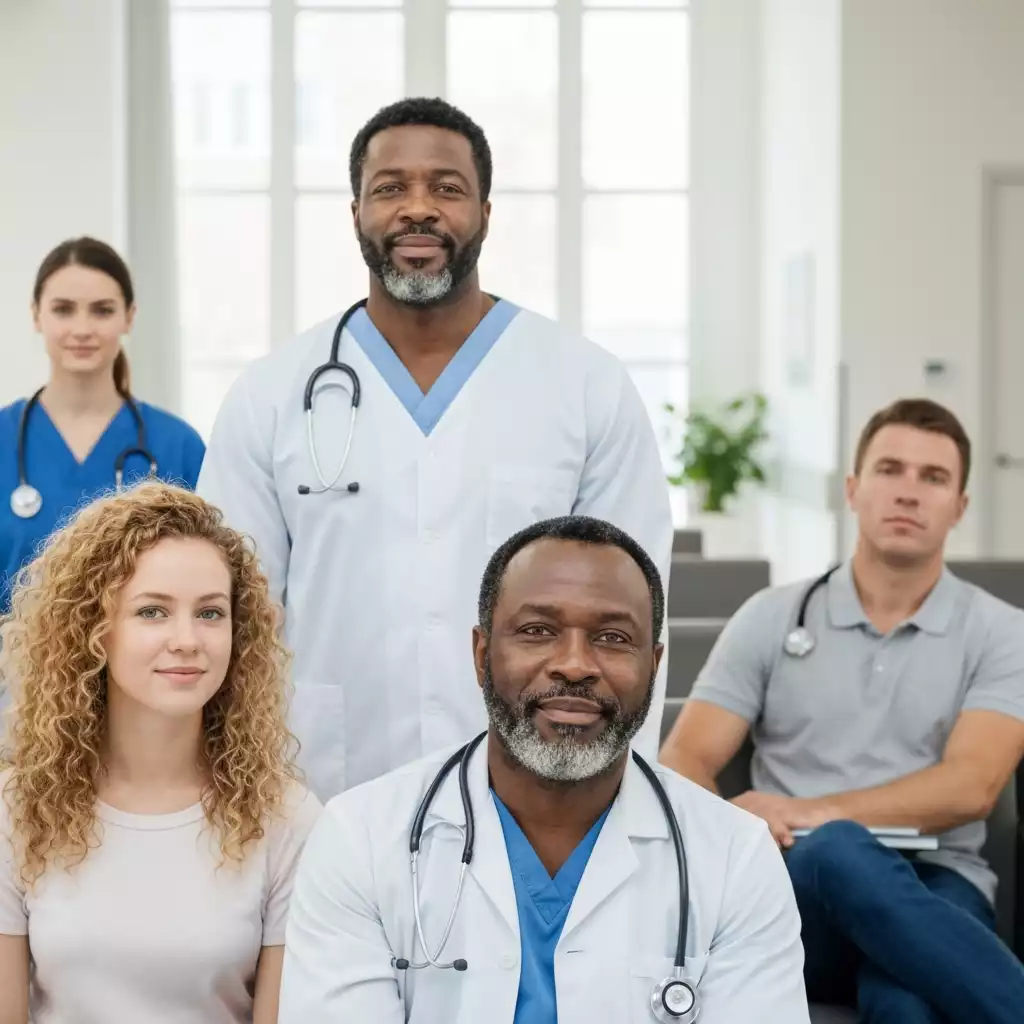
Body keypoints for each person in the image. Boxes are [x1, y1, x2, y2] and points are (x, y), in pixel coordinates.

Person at [197, 97, 673, 801]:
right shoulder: (270, 395)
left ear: (485, 210)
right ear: (356, 211)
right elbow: (223, 611)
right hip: (319, 790)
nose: (418, 208)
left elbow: (631, 617)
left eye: (447, 188)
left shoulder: (585, 385)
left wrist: (617, 793)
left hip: (538, 790)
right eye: (391, 188)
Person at [277, 516, 809, 1024]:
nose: (575, 664)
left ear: (655, 664)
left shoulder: (735, 858)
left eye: (613, 637)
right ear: (481, 653)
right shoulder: (362, 839)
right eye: (537, 630)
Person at [660, 398, 1024, 1022]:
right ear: (854, 490)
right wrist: (747, 827)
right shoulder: (772, 616)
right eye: (890, 470)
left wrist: (814, 813)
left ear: (960, 507)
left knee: (907, 1004)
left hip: (941, 884)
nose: (908, 493)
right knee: (833, 853)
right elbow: (684, 758)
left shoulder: (1002, 632)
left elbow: (972, 787)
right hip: (794, 890)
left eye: (933, 478)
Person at [0, 482, 321, 1024]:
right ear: (93, 631)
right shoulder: (17, 810)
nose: (187, 639)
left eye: (211, 613)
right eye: (152, 612)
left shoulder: (287, 821)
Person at [0, 237, 206, 614]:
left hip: (144, 667)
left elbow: (211, 580)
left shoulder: (179, 447)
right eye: (63, 310)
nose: (82, 328)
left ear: (129, 316)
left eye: (102, 310)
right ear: (36, 315)